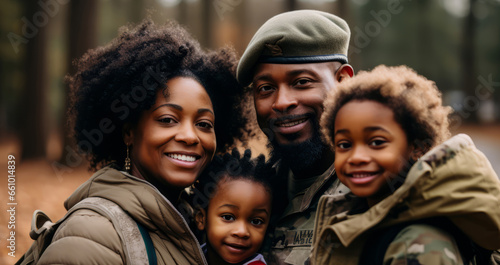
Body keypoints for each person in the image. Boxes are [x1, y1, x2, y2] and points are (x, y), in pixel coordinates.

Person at [21, 19, 248, 265]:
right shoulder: (92, 236)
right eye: (168, 119)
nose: (190, 136)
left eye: (204, 124)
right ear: (129, 132)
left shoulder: (201, 227)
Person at [312, 65, 500, 264]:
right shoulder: (358, 216)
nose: (356, 157)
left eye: (376, 142)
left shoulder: (419, 245)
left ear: (418, 147)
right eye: (345, 144)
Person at [236, 10, 355, 265]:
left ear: (343, 81)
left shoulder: (376, 189)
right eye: (265, 88)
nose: (281, 103)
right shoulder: (256, 192)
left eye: (301, 82)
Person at [191, 149, 275, 265]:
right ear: (201, 218)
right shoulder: (187, 256)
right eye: (228, 217)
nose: (242, 232)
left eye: (256, 221)